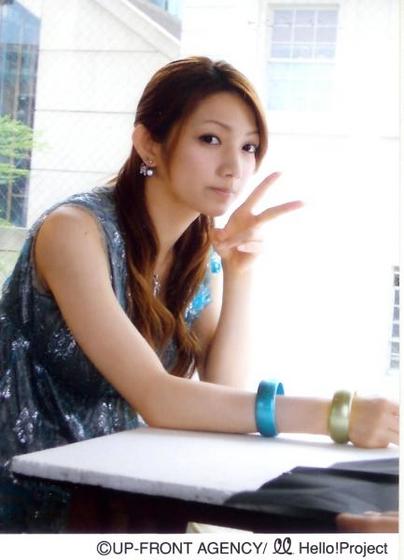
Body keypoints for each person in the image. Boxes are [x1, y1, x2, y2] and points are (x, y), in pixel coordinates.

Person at [0, 56, 399, 532]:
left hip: (116, 487)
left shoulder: (195, 250)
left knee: (357, 524)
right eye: (210, 139)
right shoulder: (75, 231)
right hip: (27, 493)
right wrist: (338, 416)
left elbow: (221, 392)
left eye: (249, 147)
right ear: (148, 144)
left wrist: (238, 271)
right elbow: (159, 398)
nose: (234, 167)